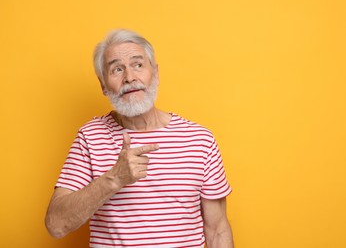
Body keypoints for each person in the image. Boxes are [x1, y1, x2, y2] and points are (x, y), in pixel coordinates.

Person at [45, 29, 233, 248]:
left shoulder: (200, 140)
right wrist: (114, 179)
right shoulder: (90, 137)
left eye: (138, 65)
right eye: (116, 69)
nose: (129, 77)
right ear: (103, 85)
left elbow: (218, 230)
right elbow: (56, 225)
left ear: (155, 73)